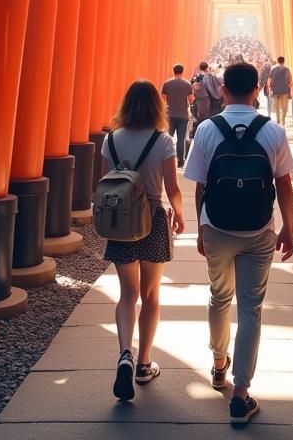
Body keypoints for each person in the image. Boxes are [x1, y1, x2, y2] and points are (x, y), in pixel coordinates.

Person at [184, 62, 293, 426]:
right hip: (259, 231)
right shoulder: (273, 131)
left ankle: (219, 364)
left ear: (225, 89)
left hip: (216, 225)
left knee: (219, 296)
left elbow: (199, 184)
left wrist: (201, 227)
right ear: (256, 90)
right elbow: (284, 184)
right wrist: (288, 228)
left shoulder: (206, 129)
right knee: (251, 310)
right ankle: (241, 393)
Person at [101, 80, 186, 402]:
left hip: (121, 221)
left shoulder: (110, 140)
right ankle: (144, 362)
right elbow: (172, 187)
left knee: (127, 294)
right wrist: (179, 215)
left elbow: (104, 183)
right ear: (156, 106)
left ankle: (125, 352)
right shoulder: (163, 141)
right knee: (150, 295)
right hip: (152, 220)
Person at [161, 63, 192, 167]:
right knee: (181, 138)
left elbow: (163, 98)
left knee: (167, 137)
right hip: (183, 115)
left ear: (173, 71)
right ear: (182, 71)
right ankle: (180, 160)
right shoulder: (187, 84)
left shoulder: (167, 83)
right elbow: (191, 98)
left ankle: (165, 158)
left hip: (169, 114)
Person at [268, 56, 293, 127]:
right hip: (284, 90)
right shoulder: (286, 69)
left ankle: (278, 121)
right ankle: (283, 121)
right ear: (283, 61)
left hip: (275, 90)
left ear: (277, 61)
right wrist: (291, 86)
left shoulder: (272, 68)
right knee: (284, 107)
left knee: (277, 107)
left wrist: (270, 88)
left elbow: (270, 79)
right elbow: (289, 79)